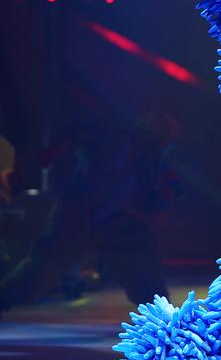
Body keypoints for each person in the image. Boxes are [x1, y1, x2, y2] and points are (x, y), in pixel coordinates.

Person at [0, 112, 182, 310]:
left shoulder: (143, 154)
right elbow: (72, 135)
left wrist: (36, 164)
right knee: (38, 273)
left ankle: (163, 322)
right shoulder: (130, 144)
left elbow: (68, 137)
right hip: (99, 219)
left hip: (98, 219)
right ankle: (164, 323)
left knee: (37, 272)